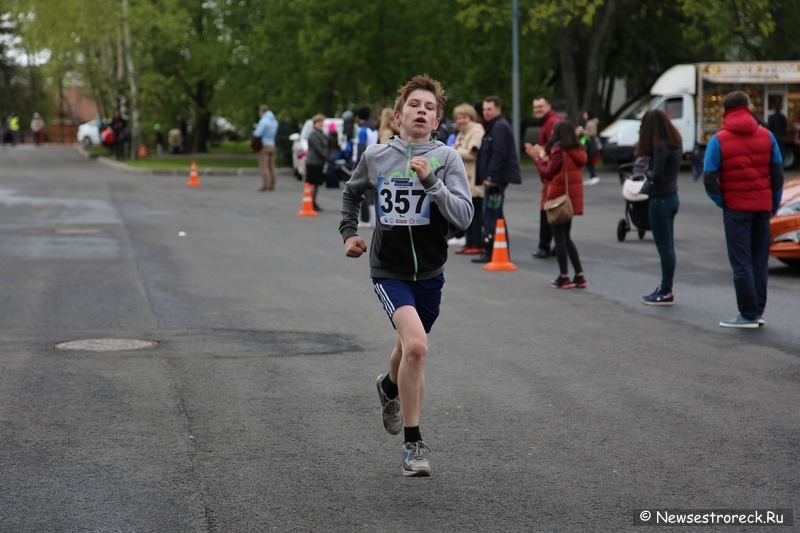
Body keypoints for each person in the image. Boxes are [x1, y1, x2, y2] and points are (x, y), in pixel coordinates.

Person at [339, 75, 473, 477]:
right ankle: (413, 446)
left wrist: (431, 182)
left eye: (430, 108)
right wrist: (349, 234)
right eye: (414, 105)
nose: (422, 111)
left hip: (430, 272)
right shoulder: (377, 156)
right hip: (389, 270)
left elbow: (464, 217)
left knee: (407, 347)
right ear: (398, 116)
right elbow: (351, 192)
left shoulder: (447, 160)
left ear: (437, 122)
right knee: (416, 347)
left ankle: (389, 386)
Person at [703, 90, 783, 328]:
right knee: (760, 260)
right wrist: (773, 203)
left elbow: (709, 178)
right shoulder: (767, 136)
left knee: (741, 262)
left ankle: (747, 314)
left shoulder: (719, 140)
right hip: (762, 207)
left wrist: (723, 201)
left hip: (736, 209)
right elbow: (777, 175)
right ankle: (757, 310)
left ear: (726, 111)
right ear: (747, 107)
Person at [526, 121, 587, 288]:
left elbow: (547, 173)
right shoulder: (577, 151)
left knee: (560, 238)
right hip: (571, 200)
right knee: (566, 237)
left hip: (557, 200)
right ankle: (579, 275)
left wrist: (538, 159)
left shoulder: (559, 151)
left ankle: (564, 276)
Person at [635, 109, 683, 305]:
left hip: (660, 200)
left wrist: (646, 168)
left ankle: (666, 289)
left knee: (664, 248)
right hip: (672, 197)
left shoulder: (660, 147)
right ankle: (666, 287)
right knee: (668, 247)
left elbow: (656, 174)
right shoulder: (675, 142)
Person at [471, 96, 522, 264]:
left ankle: (491, 250)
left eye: (489, 109)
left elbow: (499, 153)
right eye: (484, 109)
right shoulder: (495, 126)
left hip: (496, 180)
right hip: (494, 178)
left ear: (498, 110)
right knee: (494, 214)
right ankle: (497, 249)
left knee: (492, 215)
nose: (486, 112)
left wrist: (491, 177)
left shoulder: (499, 126)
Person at [531, 96, 564, 259]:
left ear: (549, 106)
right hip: (557, 176)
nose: (537, 109)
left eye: (540, 106)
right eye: (535, 107)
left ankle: (545, 246)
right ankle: (556, 246)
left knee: (547, 209)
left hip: (554, 176)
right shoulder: (551, 122)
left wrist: (539, 156)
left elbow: (552, 153)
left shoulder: (552, 123)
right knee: (554, 210)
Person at [452, 103, 485, 255]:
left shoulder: (476, 131)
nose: (461, 121)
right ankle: (469, 241)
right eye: (458, 118)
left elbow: (473, 153)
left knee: (475, 213)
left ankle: (477, 243)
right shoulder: (462, 133)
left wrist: (454, 150)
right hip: (463, 179)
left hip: (473, 178)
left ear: (471, 117)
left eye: (464, 117)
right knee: (466, 213)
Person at [355, 105, 379, 228]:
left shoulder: (363, 130)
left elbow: (360, 148)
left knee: (359, 191)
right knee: (372, 192)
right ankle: (373, 220)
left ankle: (362, 219)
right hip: (374, 161)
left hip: (364, 162)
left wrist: (356, 166)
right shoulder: (374, 129)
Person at [305, 114, 327, 211]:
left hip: (319, 162)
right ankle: (311, 203)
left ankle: (314, 202)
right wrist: (327, 156)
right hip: (313, 162)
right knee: (313, 183)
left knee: (317, 183)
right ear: (314, 124)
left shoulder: (321, 133)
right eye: (318, 122)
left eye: (321, 122)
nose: (320, 124)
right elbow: (319, 148)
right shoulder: (313, 134)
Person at [254, 104, 279, 191]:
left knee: (264, 166)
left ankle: (266, 185)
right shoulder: (274, 121)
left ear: (262, 111)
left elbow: (257, 133)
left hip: (264, 144)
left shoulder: (264, 121)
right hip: (272, 143)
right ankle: (272, 184)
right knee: (271, 166)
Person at [581, 110, 600, 185]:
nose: (584, 115)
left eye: (585, 114)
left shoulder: (591, 123)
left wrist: (582, 131)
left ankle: (594, 176)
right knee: (588, 160)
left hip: (590, 143)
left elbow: (593, 133)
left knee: (588, 160)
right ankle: (592, 176)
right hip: (589, 143)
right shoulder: (590, 122)